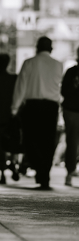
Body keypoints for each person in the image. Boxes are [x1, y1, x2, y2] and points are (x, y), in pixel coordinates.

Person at [11, 36, 63, 190]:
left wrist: (14, 108)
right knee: (48, 142)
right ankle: (44, 175)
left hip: (32, 107)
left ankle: (37, 167)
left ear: (37, 48)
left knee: (31, 139)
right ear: (51, 49)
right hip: (51, 107)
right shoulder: (58, 65)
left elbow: (21, 86)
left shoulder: (29, 63)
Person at [0, 53, 19, 184]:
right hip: (11, 115)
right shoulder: (14, 78)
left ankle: (2, 173)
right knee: (13, 141)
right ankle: (13, 163)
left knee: (1, 144)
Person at [61, 46, 79, 186]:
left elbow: (63, 91)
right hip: (71, 109)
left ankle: (69, 173)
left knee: (71, 142)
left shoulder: (71, 71)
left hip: (71, 109)